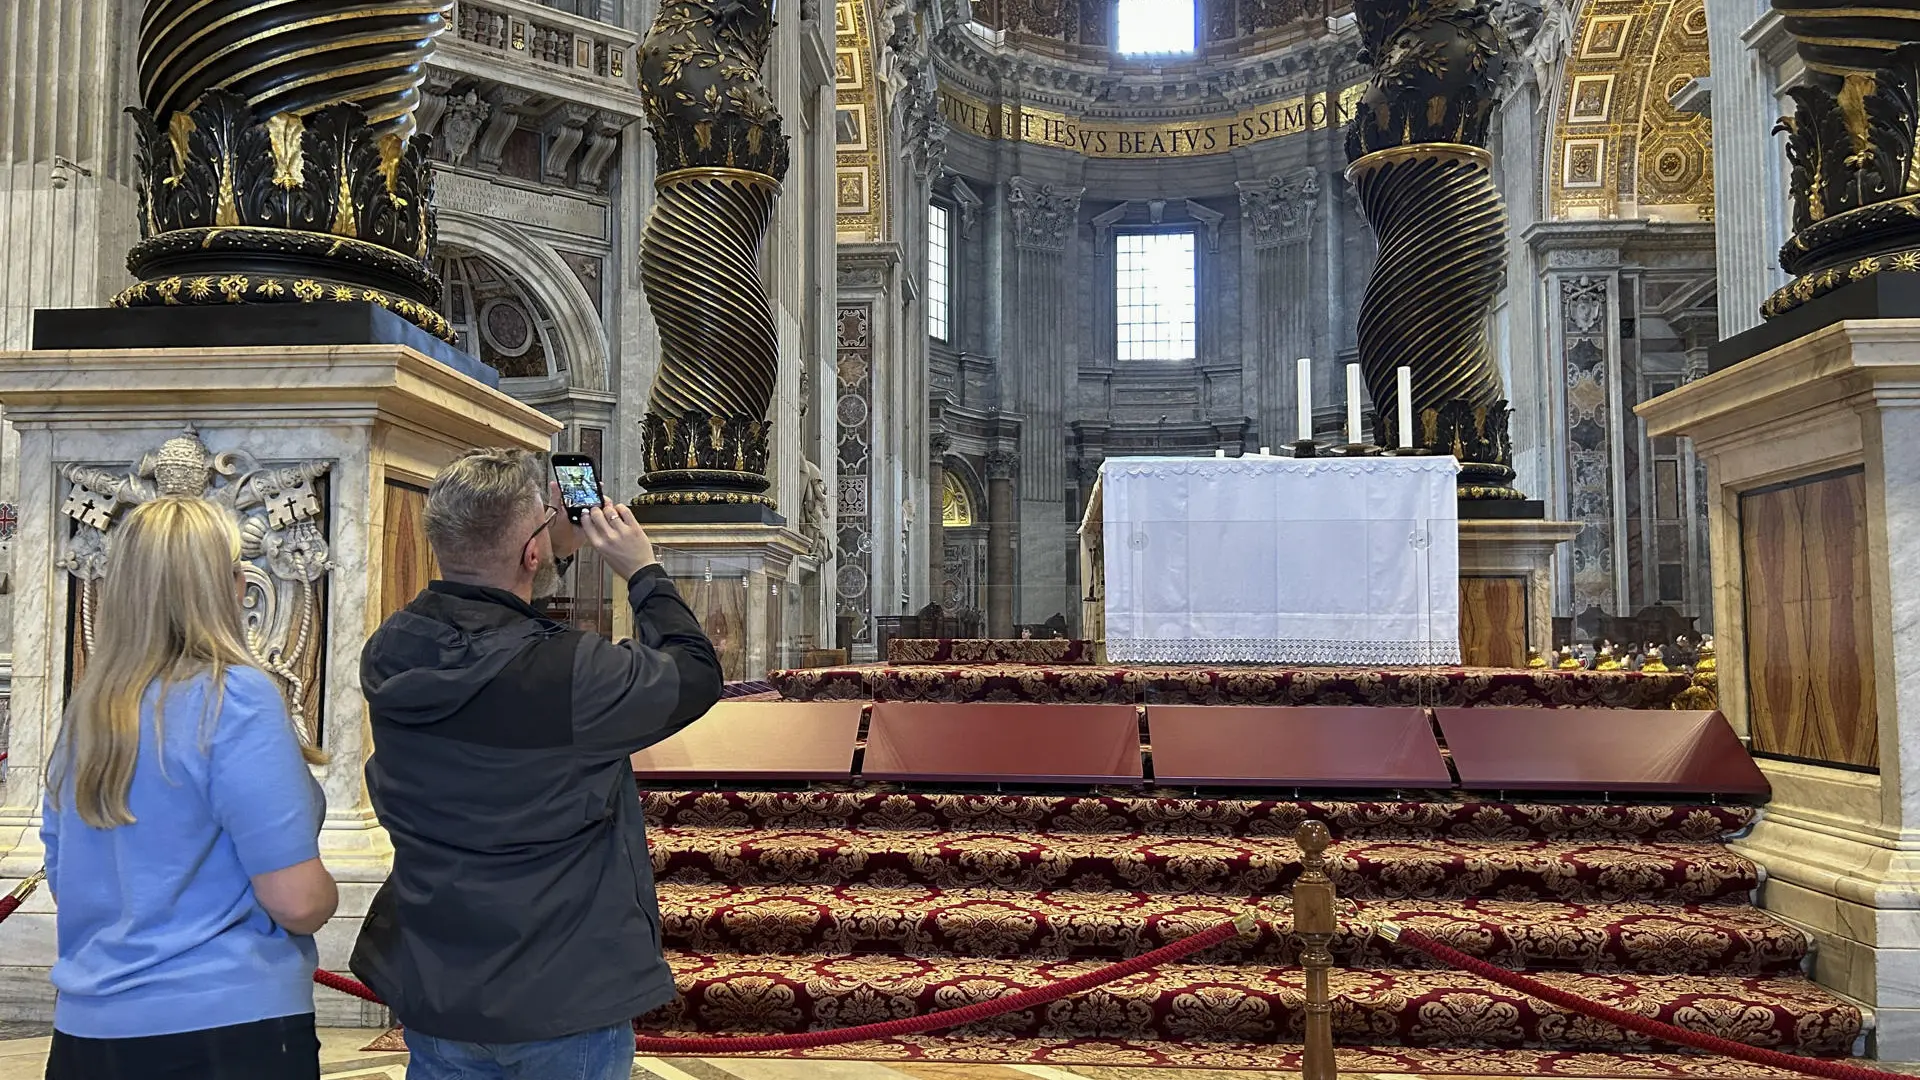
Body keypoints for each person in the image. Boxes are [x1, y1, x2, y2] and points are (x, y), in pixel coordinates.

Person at [351, 448, 723, 1080]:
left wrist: (543, 529)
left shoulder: (388, 651)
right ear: (531, 553)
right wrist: (642, 572)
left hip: (439, 977)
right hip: (561, 992)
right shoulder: (572, 673)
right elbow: (695, 672)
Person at [40, 497, 336, 1080]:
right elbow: (297, 902)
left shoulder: (88, 712)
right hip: (221, 1027)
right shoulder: (235, 698)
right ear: (225, 585)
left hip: (88, 1031)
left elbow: (62, 872)